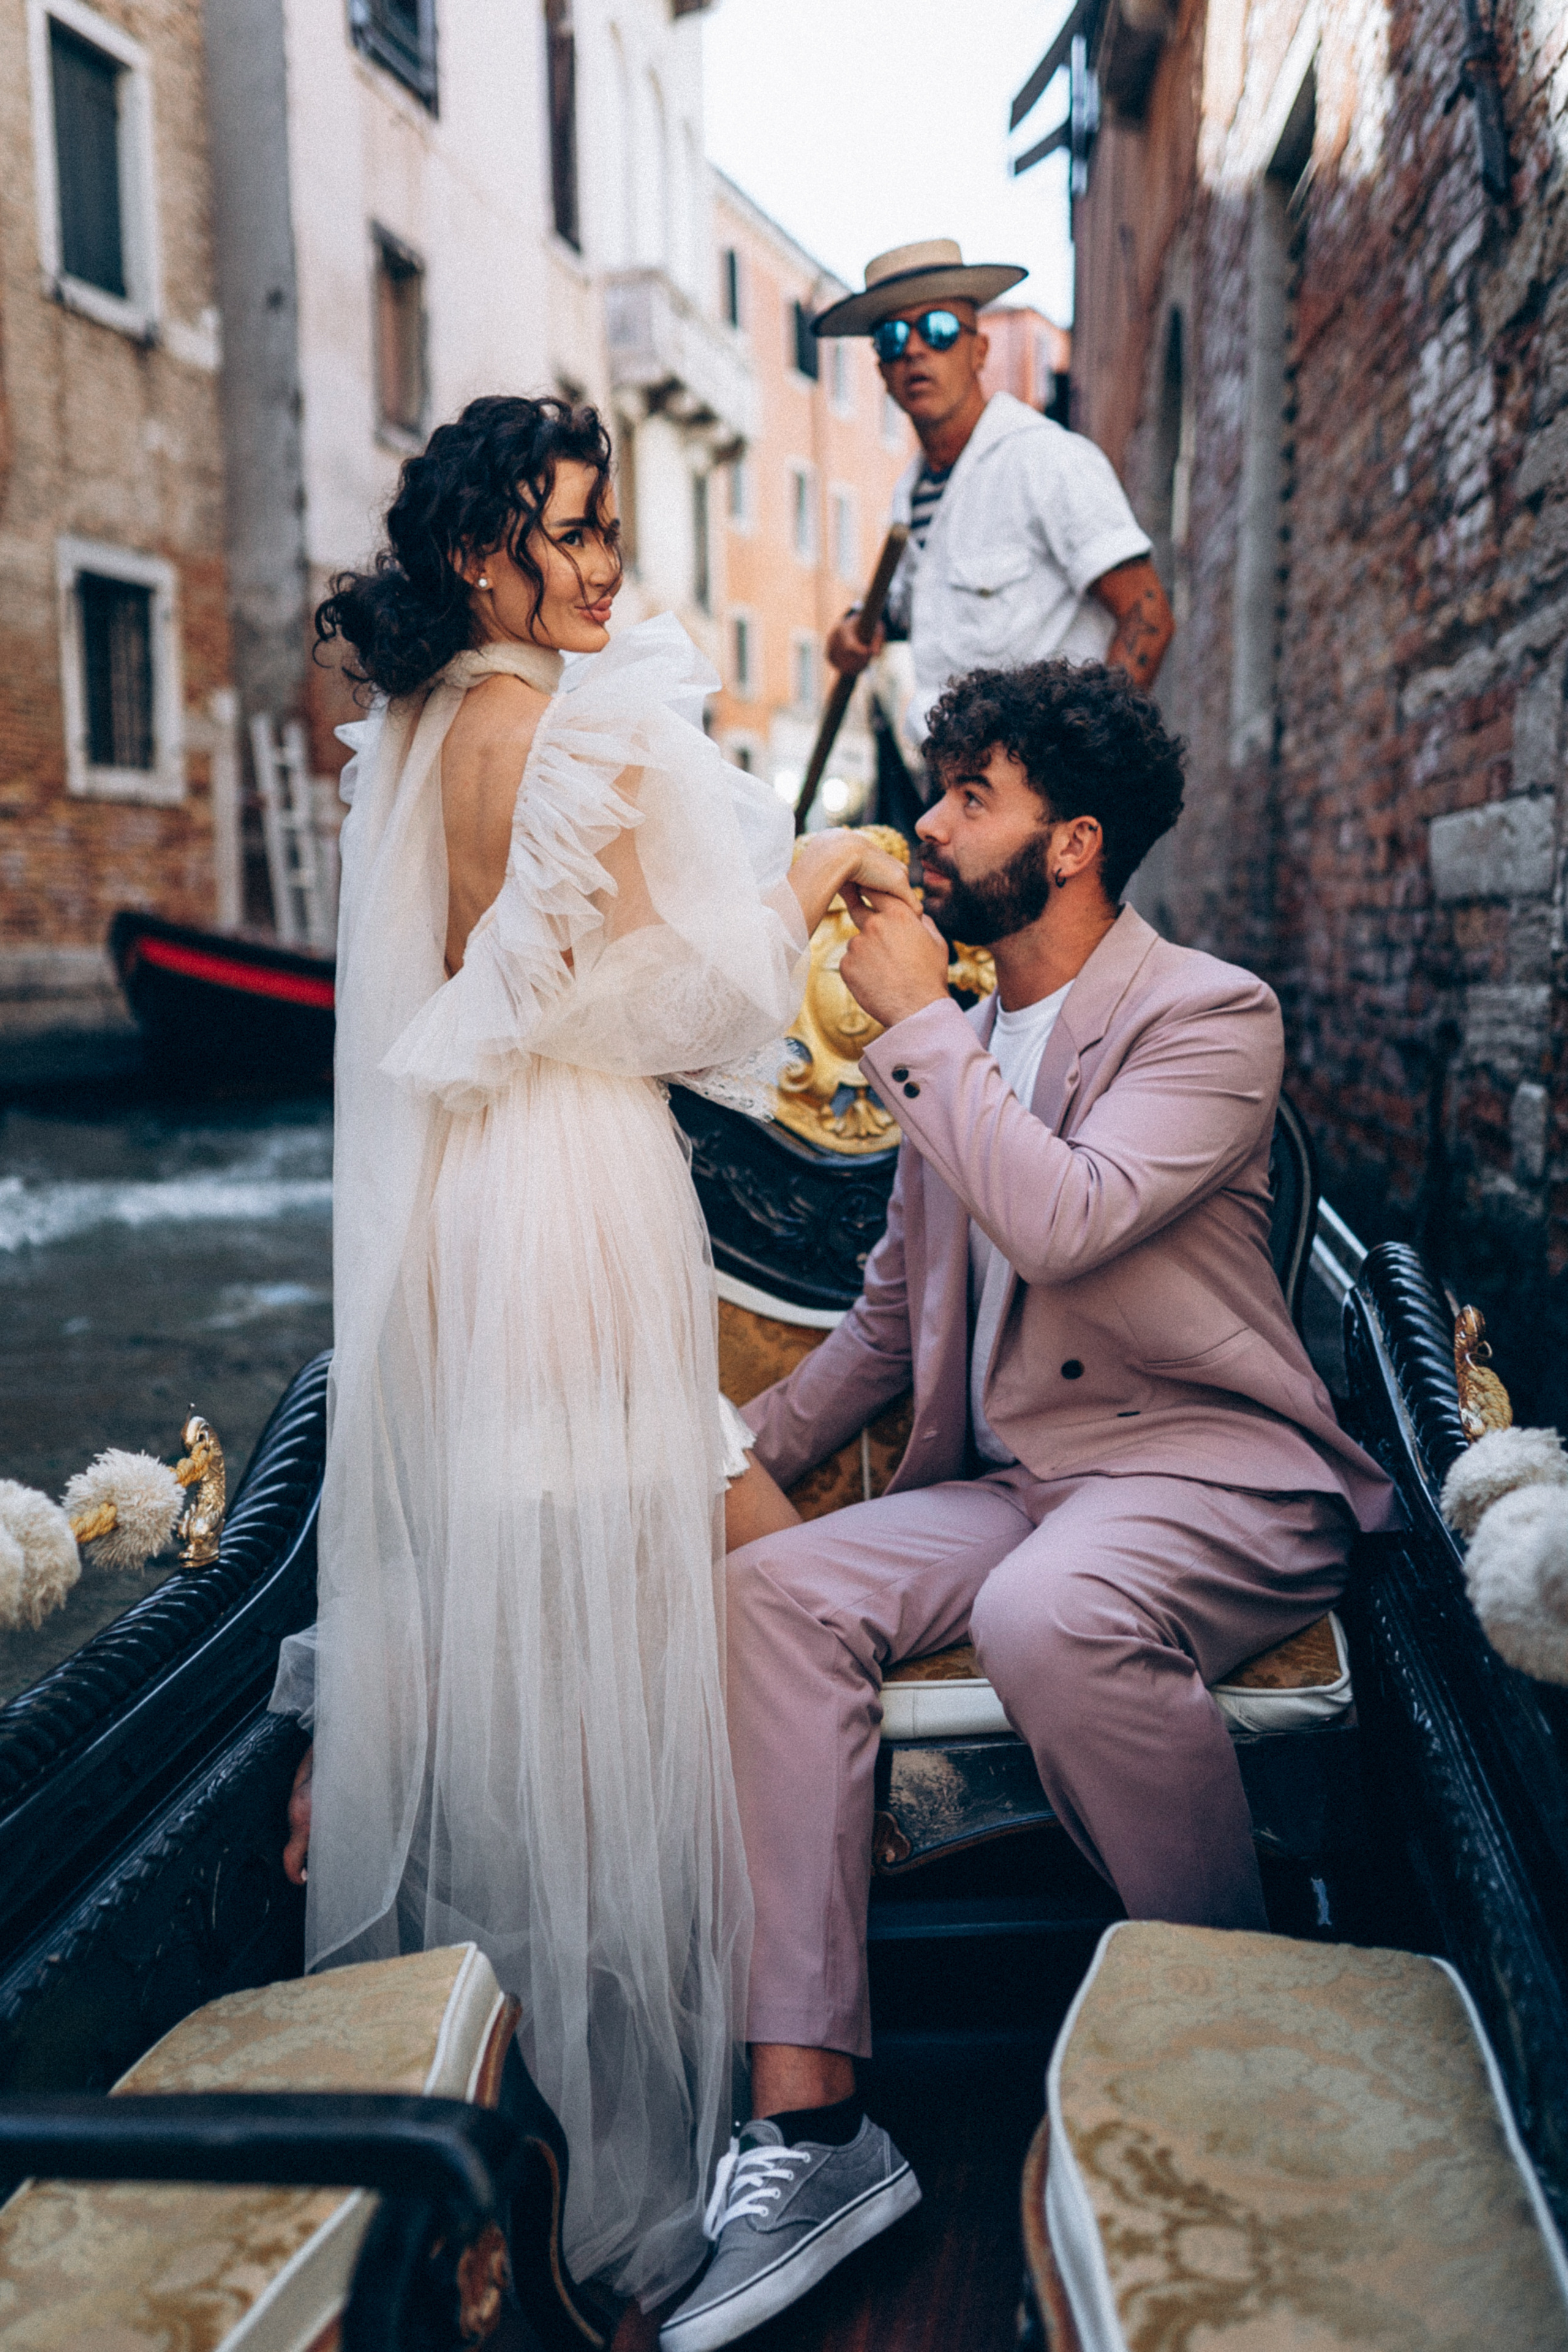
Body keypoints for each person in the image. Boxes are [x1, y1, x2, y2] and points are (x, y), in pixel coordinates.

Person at [658, 658, 1396, 2350]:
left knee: (1044, 1612)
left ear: (1071, 844)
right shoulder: (971, 1039)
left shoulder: (1210, 1014)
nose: (927, 826)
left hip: (1209, 1470)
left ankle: (1227, 2021)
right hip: (1027, 1482)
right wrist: (718, 1448)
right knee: (773, 1589)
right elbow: (893, 1321)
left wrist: (916, 1026)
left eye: (969, 797)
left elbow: (1066, 1216)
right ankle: (813, 2129)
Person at [268, 394, 915, 2313]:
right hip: (567, 1205)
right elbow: (675, 1001)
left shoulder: (429, 725)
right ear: (487, 558)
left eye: (609, 525)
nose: (608, 562)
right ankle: (693, 2133)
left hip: (491, 1203)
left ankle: (599, 2108)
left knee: (577, 1623)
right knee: (679, 1604)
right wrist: (812, 875)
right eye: (572, 530)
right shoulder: (544, 725)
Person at [814, 239, 1174, 786]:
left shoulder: (1047, 460)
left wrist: (1078, 770)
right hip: (950, 788)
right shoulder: (912, 491)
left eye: (938, 330)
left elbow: (1148, 616)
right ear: (882, 370)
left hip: (1042, 792)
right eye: (892, 338)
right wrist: (852, 629)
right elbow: (906, 606)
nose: (914, 351)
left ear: (979, 351)